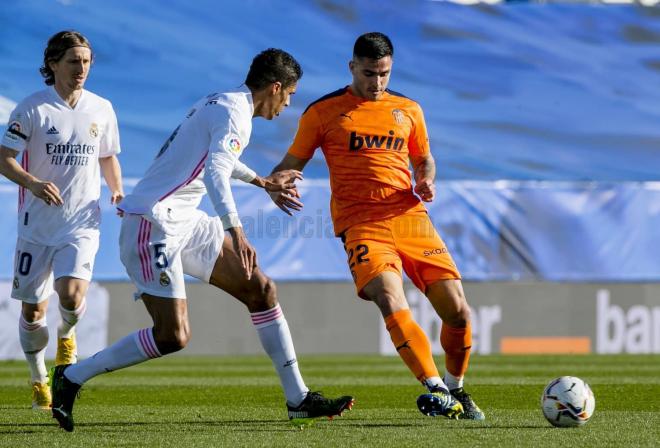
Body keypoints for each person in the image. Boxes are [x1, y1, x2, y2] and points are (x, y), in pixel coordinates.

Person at [50, 48, 354, 432]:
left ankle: (298, 399)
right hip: (152, 223)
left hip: (185, 220)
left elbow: (217, 161)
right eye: (290, 94)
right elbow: (215, 175)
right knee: (173, 336)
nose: (288, 103)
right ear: (275, 87)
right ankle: (73, 376)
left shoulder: (224, 103)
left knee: (260, 289)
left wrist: (262, 182)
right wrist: (236, 232)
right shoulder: (235, 116)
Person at [270, 32, 484, 420]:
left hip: (410, 218)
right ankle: (435, 389)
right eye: (369, 73)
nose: (377, 82)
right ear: (352, 67)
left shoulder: (409, 110)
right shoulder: (323, 112)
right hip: (360, 222)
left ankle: (456, 389)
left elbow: (424, 159)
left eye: (384, 73)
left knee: (459, 313)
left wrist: (426, 178)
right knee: (388, 295)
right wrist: (275, 184)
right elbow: (290, 163)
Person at [0, 30, 123, 411]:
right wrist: (32, 183)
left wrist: (116, 189)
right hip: (37, 227)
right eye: (73, 61)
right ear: (53, 64)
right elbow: (4, 158)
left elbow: (107, 156)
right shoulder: (33, 109)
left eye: (86, 61)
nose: (81, 68)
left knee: (70, 295)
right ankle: (38, 377)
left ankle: (67, 338)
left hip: (82, 222)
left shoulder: (101, 108)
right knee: (33, 312)